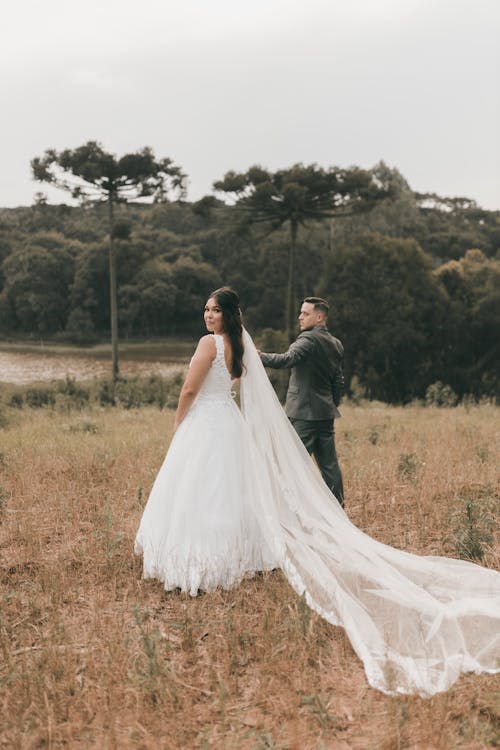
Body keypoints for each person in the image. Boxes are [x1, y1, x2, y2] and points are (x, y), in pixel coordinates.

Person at [135, 286, 500, 698]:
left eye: (213, 310)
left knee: (213, 487)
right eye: (205, 309)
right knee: (252, 484)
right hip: (261, 417)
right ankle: (313, 517)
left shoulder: (217, 344)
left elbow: (191, 389)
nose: (207, 315)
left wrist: (180, 422)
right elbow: (323, 377)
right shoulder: (243, 345)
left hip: (220, 420)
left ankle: (209, 560)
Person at [260, 297, 345, 505]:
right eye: (300, 312)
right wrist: (331, 403)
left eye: (305, 313)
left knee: (293, 463)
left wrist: (258, 356)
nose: (300, 316)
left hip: (303, 414)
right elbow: (338, 381)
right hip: (325, 413)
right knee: (329, 465)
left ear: (319, 317)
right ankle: (338, 507)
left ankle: (291, 508)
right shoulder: (336, 344)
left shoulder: (307, 340)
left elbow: (287, 359)